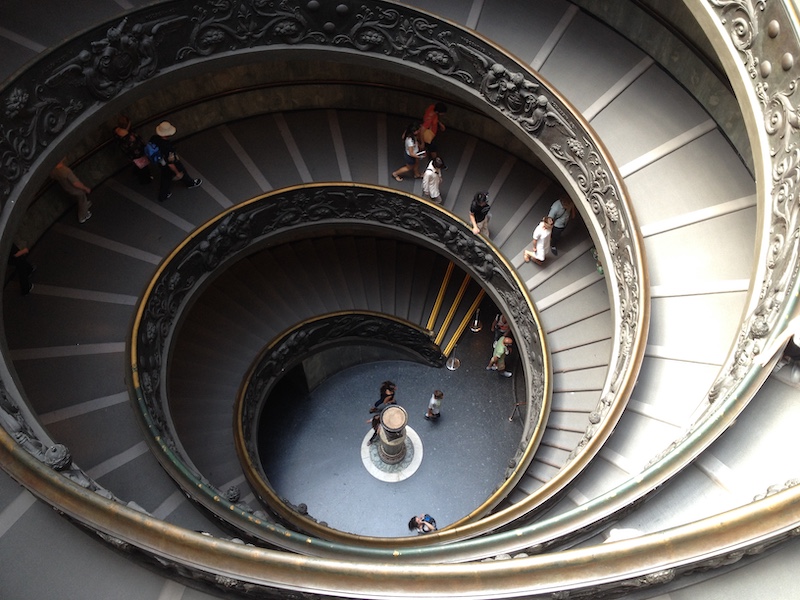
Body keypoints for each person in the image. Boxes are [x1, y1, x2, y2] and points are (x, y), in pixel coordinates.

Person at [150, 121, 202, 202]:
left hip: (161, 162)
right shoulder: (167, 147)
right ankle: (190, 183)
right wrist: (177, 173)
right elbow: (171, 164)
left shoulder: (154, 138)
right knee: (181, 171)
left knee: (165, 177)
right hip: (168, 163)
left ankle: (163, 195)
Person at [113, 115, 153, 184]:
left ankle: (137, 172)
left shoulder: (116, 131)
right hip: (138, 155)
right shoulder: (131, 138)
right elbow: (138, 145)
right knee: (144, 168)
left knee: (138, 165)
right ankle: (145, 180)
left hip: (129, 154)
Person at [50, 159, 92, 224]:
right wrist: (85, 188)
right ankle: (83, 216)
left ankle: (85, 207)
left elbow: (52, 177)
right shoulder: (66, 171)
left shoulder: (54, 170)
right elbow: (75, 183)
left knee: (80, 199)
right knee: (82, 199)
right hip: (75, 189)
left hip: (67, 188)